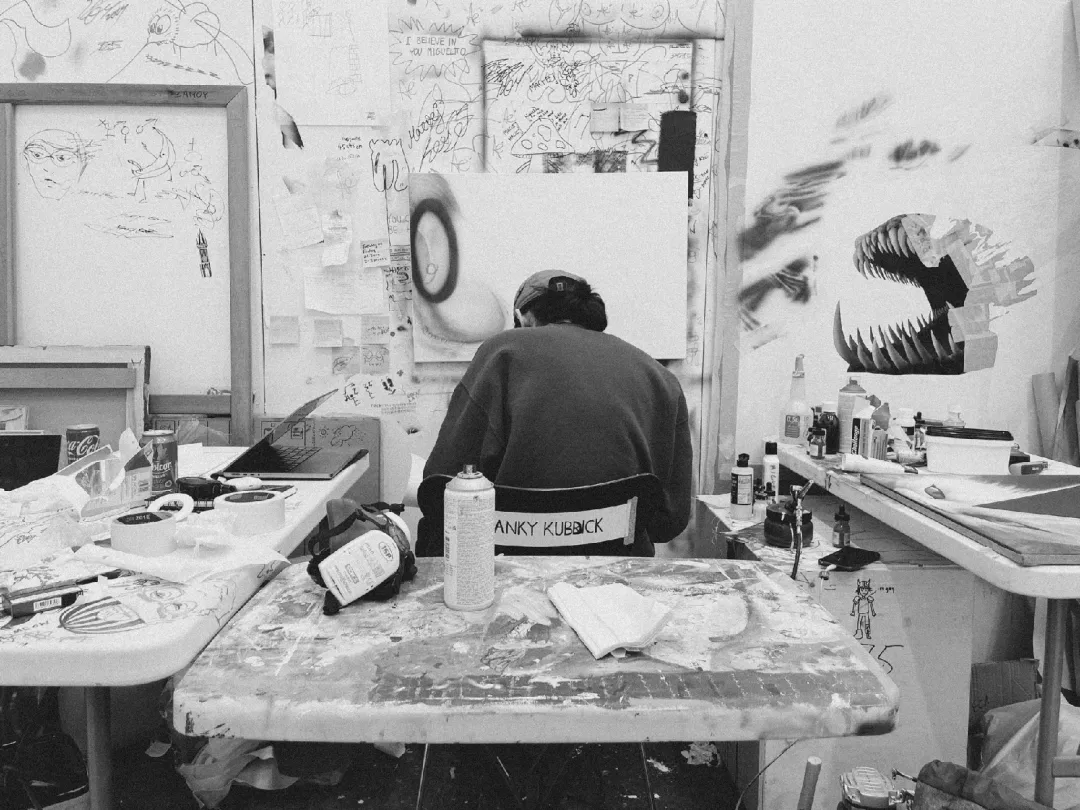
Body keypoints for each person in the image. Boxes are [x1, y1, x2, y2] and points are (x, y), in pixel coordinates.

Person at [423, 269, 692, 554]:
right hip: (618, 565)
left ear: (523, 318)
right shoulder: (658, 376)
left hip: (511, 562)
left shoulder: (502, 351)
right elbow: (669, 521)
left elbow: (443, 483)